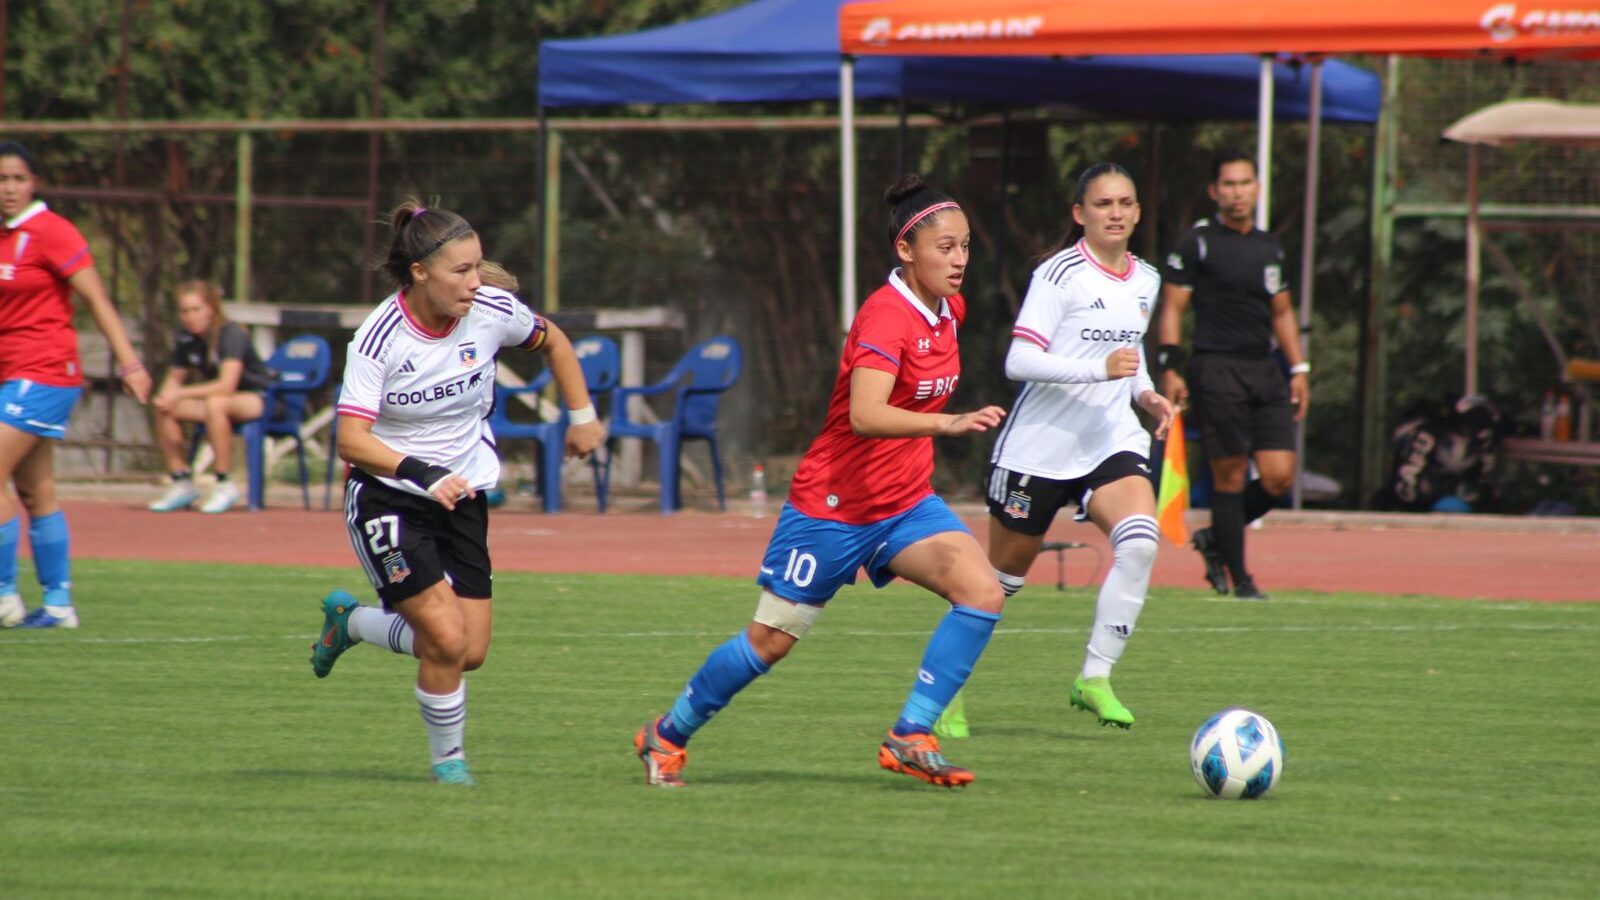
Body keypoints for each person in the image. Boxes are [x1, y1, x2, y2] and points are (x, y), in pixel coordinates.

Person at [633, 175, 1008, 789]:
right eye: (946, 246)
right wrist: (949, 421)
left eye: (966, 245)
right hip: (832, 509)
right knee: (768, 644)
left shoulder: (949, 309)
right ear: (906, 250)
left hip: (906, 505)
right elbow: (865, 414)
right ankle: (666, 734)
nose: (960, 258)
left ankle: (911, 733)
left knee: (982, 592)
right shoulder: (886, 317)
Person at [305, 201, 603, 785]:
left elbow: (557, 343)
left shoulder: (490, 309)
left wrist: (583, 415)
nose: (476, 282)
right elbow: (349, 439)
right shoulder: (379, 338)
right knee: (443, 636)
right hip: (388, 498)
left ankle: (352, 624)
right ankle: (449, 765)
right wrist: (423, 472)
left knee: (468, 652)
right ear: (419, 272)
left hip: (463, 497)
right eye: (461, 271)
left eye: (478, 266)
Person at [982, 163, 1175, 729]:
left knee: (1140, 542)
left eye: (1125, 203)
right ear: (1079, 214)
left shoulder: (1147, 279)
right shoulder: (1059, 275)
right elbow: (1017, 361)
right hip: (1038, 450)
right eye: (1102, 204)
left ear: (1137, 212)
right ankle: (948, 688)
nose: (1114, 213)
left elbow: (1129, 360)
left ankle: (1094, 677)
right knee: (993, 588)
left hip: (1108, 440)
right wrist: (1099, 370)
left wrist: (1147, 395)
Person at [0, 141, 152, 630]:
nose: (9, 189)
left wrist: (129, 363)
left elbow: (98, 299)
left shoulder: (51, 232)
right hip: (12, 375)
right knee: (36, 490)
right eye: (2, 179)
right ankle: (59, 605)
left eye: (18, 179)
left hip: (45, 372)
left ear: (34, 182)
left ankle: (3, 596)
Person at [1157, 149, 1309, 601]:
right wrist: (1169, 366)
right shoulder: (1198, 242)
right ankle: (1240, 579)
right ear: (1214, 191)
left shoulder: (1269, 246)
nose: (1237, 192)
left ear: (1257, 189)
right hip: (1215, 367)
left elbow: (1281, 312)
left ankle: (1216, 538)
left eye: (1245, 183)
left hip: (1264, 370)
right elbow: (1172, 308)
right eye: (1228, 184)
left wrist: (1298, 368)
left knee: (1280, 476)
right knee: (1230, 475)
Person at [147, 280, 275, 514]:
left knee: (216, 404)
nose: (189, 317)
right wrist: (165, 396)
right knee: (165, 407)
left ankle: (224, 483)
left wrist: (181, 393)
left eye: (196, 310)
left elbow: (226, 385)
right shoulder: (186, 339)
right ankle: (181, 480)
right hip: (219, 403)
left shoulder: (231, 333)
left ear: (211, 308)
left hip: (259, 399)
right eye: (184, 311)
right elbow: (173, 380)